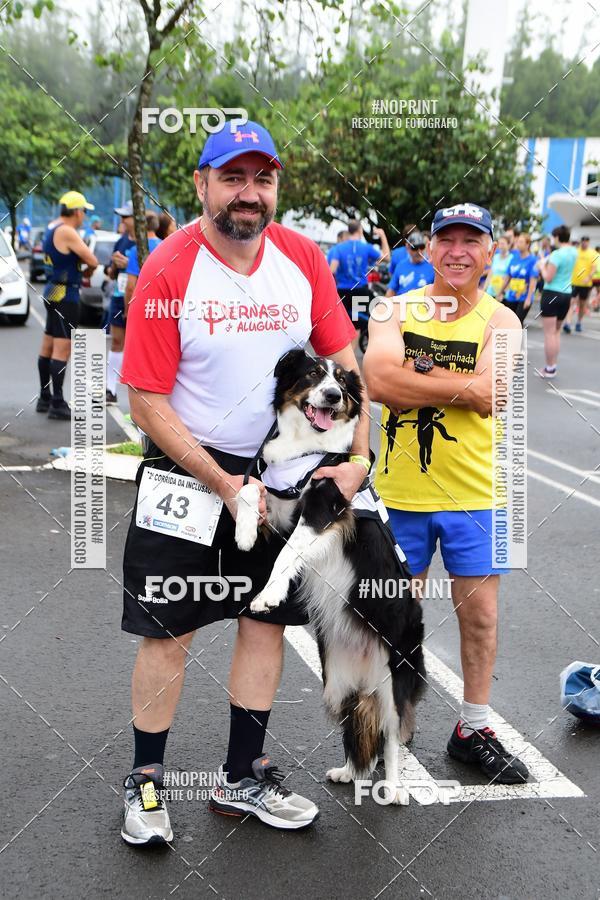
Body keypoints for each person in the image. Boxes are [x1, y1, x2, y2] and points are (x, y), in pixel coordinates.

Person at [118, 120, 369, 843]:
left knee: (265, 623)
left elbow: (347, 362)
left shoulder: (301, 257)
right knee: (169, 628)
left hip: (280, 475)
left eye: (263, 178)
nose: (249, 193)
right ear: (202, 184)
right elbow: (145, 400)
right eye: (232, 177)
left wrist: (359, 457)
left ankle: (241, 778)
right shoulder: (169, 268)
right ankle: (146, 784)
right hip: (186, 470)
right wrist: (225, 485)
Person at [363, 202, 529, 785]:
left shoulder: (503, 321)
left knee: (480, 616)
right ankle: (392, 725)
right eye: (447, 240)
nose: (458, 251)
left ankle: (472, 729)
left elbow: (493, 395)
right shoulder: (392, 309)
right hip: (399, 496)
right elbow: (377, 380)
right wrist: (462, 385)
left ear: (490, 253)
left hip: (480, 495)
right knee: (392, 617)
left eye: (471, 241)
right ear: (430, 249)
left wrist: (414, 379)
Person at [36, 191, 98, 420]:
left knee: (48, 345)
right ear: (77, 212)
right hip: (66, 293)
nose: (85, 217)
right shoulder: (67, 231)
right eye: (84, 212)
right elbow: (92, 260)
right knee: (62, 348)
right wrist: (87, 271)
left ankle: (44, 398)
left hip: (52, 289)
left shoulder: (52, 226)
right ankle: (57, 403)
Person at [329, 218, 390, 343]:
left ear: (349, 231)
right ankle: (351, 354)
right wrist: (383, 236)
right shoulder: (366, 248)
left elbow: (332, 270)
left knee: (342, 325)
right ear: (360, 230)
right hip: (360, 291)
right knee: (356, 325)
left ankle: (342, 352)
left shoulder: (338, 248)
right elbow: (387, 257)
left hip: (343, 291)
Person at [104, 201, 136, 404]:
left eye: (126, 217)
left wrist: (129, 264)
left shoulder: (147, 243)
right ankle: (110, 389)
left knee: (138, 346)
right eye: (121, 217)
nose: (123, 221)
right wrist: (115, 265)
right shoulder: (121, 241)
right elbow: (109, 273)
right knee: (117, 341)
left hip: (139, 299)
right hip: (119, 297)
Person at [537, 225, 577, 378]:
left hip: (552, 293)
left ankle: (549, 368)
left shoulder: (557, 254)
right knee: (556, 332)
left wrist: (542, 266)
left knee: (549, 334)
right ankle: (552, 365)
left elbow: (548, 277)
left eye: (553, 237)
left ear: (558, 237)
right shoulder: (573, 252)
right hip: (566, 294)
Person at [122, 210, 162, 317]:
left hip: (142, 305)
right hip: (161, 306)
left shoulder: (136, 250)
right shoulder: (166, 246)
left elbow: (131, 286)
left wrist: (127, 311)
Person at [499, 232, 537, 323]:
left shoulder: (532, 260)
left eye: (521, 242)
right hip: (511, 296)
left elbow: (533, 280)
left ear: (527, 244)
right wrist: (500, 292)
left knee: (518, 322)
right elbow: (508, 277)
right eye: (518, 242)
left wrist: (528, 298)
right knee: (509, 322)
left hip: (523, 297)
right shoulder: (514, 258)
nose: (518, 244)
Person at [564, 235, 597, 333]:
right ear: (581, 242)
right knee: (571, 303)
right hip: (574, 282)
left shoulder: (592, 253)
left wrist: (588, 277)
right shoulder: (575, 251)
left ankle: (579, 322)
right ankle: (568, 323)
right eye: (583, 241)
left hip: (585, 284)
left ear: (588, 242)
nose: (584, 243)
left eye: (586, 241)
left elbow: (594, 268)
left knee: (582, 305)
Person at [385, 230, 434, 297]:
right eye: (415, 248)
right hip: (402, 302)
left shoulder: (433, 266)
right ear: (407, 247)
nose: (419, 251)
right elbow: (391, 291)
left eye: (421, 247)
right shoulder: (400, 266)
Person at [484, 234, 511, 299]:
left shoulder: (511, 258)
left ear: (508, 245)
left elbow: (510, 278)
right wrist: (484, 289)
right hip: (491, 291)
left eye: (503, 244)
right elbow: (490, 274)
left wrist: (503, 293)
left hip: (502, 294)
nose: (500, 246)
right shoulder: (495, 257)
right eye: (500, 244)